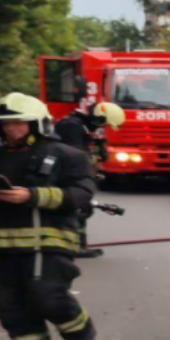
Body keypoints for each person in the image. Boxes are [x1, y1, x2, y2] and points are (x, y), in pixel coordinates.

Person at [0, 93, 97, 340]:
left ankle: (80, 332)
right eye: (6, 124)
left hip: (47, 241)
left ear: (37, 124)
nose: (11, 128)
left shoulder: (68, 155)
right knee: (9, 304)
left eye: (18, 122)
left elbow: (81, 194)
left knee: (47, 294)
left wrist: (34, 196)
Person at [53, 102, 125, 259]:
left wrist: (99, 147)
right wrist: (92, 160)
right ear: (97, 118)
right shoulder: (72, 127)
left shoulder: (79, 126)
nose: (103, 127)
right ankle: (75, 246)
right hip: (63, 175)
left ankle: (76, 245)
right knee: (80, 208)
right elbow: (77, 156)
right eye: (103, 124)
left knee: (80, 209)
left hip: (68, 173)